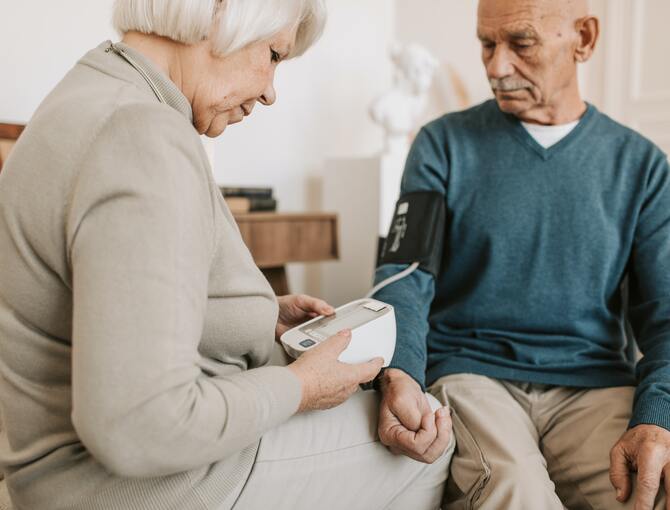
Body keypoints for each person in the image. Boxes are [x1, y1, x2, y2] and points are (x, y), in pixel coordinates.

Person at [0, 1, 454, 509]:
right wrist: (297, 387)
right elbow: (136, 424)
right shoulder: (143, 135)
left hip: (50, 471)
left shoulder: (91, 91)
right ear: (221, 15)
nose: (270, 91)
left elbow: (110, 294)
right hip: (125, 488)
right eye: (275, 54)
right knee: (432, 448)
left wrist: (253, 314)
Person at [372, 0, 670, 508]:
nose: (496, 67)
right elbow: (404, 276)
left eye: (521, 43)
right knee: (518, 491)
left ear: (584, 38)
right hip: (473, 373)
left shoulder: (641, 166)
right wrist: (398, 374)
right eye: (487, 44)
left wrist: (655, 417)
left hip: (593, 385)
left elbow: (664, 316)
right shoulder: (442, 145)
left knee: (646, 494)